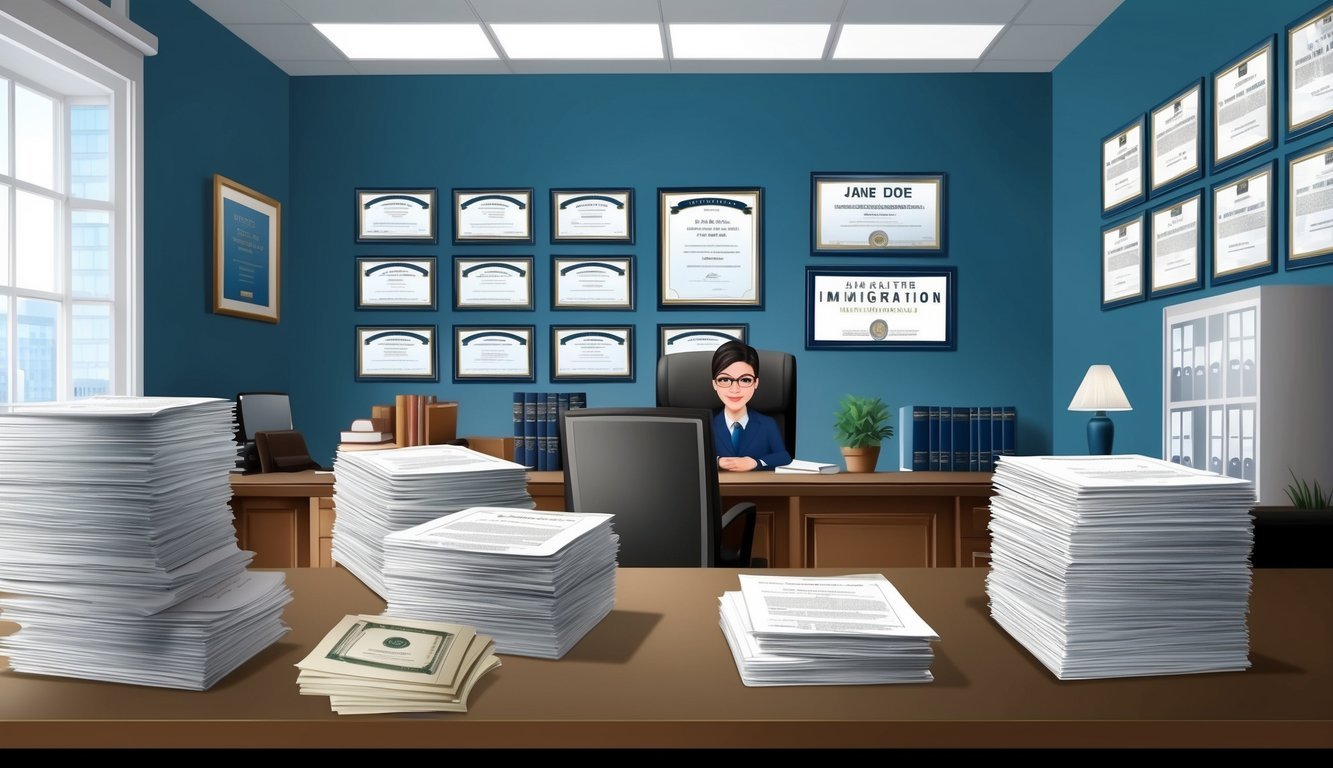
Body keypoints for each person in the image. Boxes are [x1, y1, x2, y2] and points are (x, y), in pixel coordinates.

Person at [710, 340, 791, 472]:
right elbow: (689, 457)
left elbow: (784, 457)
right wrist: (718, 461)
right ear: (714, 384)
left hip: (756, 489)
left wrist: (756, 462)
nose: (735, 389)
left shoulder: (767, 424)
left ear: (756, 383)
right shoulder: (707, 424)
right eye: (725, 380)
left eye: (745, 380)